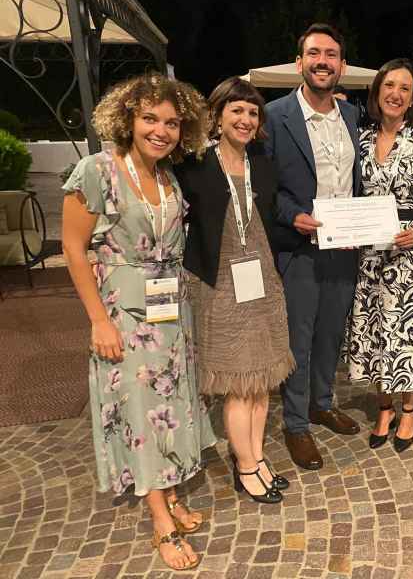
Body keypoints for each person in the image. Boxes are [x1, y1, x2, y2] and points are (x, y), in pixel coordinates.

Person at [61, 74, 215, 571]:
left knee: (169, 405)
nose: (160, 131)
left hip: (170, 313)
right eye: (150, 118)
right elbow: (73, 249)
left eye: (171, 123)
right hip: (123, 315)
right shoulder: (97, 170)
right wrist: (98, 321)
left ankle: (170, 493)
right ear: (127, 118)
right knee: (142, 413)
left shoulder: (168, 175)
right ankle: (161, 521)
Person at [175, 77, 293, 504]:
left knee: (261, 382)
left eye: (252, 112)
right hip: (219, 286)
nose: (245, 119)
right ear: (218, 115)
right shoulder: (194, 164)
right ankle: (245, 467)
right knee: (239, 384)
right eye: (236, 110)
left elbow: (273, 217)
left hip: (262, 283)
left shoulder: (263, 163)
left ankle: (257, 457)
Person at [264, 23, 361, 471]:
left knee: (331, 333)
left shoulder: (352, 115)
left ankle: (323, 403)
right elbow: (267, 187)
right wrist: (291, 216)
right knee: (298, 339)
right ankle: (296, 423)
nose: (323, 61)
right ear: (299, 61)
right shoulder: (274, 115)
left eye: (332, 54)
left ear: (342, 64)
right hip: (301, 246)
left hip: (344, 245)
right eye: (315, 53)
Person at [347, 58, 413, 452]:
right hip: (370, 253)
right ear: (377, 91)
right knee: (375, 331)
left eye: (405, 88)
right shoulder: (360, 139)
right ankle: (384, 407)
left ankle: (408, 409)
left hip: (407, 251)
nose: (396, 94)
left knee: (405, 332)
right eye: (390, 85)